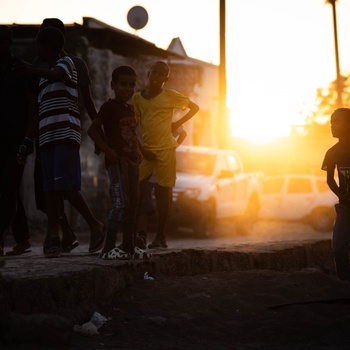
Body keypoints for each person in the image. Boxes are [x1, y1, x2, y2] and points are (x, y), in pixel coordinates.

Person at [16, 27, 105, 258]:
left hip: (65, 132)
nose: (37, 51)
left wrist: (30, 69)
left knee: (65, 184)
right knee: (50, 189)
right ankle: (54, 236)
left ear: (50, 46)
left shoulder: (66, 63)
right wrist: (28, 141)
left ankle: (95, 225)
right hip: (47, 136)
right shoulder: (43, 80)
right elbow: (39, 111)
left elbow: (57, 75)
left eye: (40, 46)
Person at [87, 65, 151, 260]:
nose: (128, 89)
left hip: (132, 163)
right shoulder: (109, 107)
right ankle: (107, 248)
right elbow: (93, 130)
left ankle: (128, 246)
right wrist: (108, 150)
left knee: (133, 204)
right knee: (120, 202)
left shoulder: (130, 109)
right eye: (123, 84)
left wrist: (140, 151)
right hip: (117, 162)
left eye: (131, 85)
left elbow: (132, 135)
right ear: (113, 85)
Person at [133, 61, 199, 248]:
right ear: (148, 73)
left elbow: (194, 108)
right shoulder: (138, 99)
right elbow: (132, 125)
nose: (156, 77)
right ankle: (138, 235)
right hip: (147, 152)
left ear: (166, 79)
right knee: (138, 190)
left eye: (161, 75)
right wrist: (141, 148)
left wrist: (176, 125)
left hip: (166, 151)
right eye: (154, 73)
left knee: (163, 194)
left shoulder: (170, 96)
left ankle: (160, 237)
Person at [0, 25, 36, 256]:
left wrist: (28, 138)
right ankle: (22, 239)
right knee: (7, 189)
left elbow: (34, 107)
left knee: (8, 188)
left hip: (16, 141)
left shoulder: (22, 70)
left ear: (7, 44)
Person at [137, 125, 187, 243]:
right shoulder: (141, 121)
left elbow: (183, 134)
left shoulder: (167, 121)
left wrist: (173, 147)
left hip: (163, 169)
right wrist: (143, 151)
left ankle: (160, 236)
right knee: (143, 203)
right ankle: (142, 235)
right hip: (147, 167)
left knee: (163, 205)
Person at [322, 107, 350, 281]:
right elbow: (330, 179)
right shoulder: (333, 153)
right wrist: (342, 195)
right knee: (338, 248)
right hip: (346, 208)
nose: (333, 125)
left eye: (338, 121)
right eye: (331, 122)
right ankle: (345, 283)